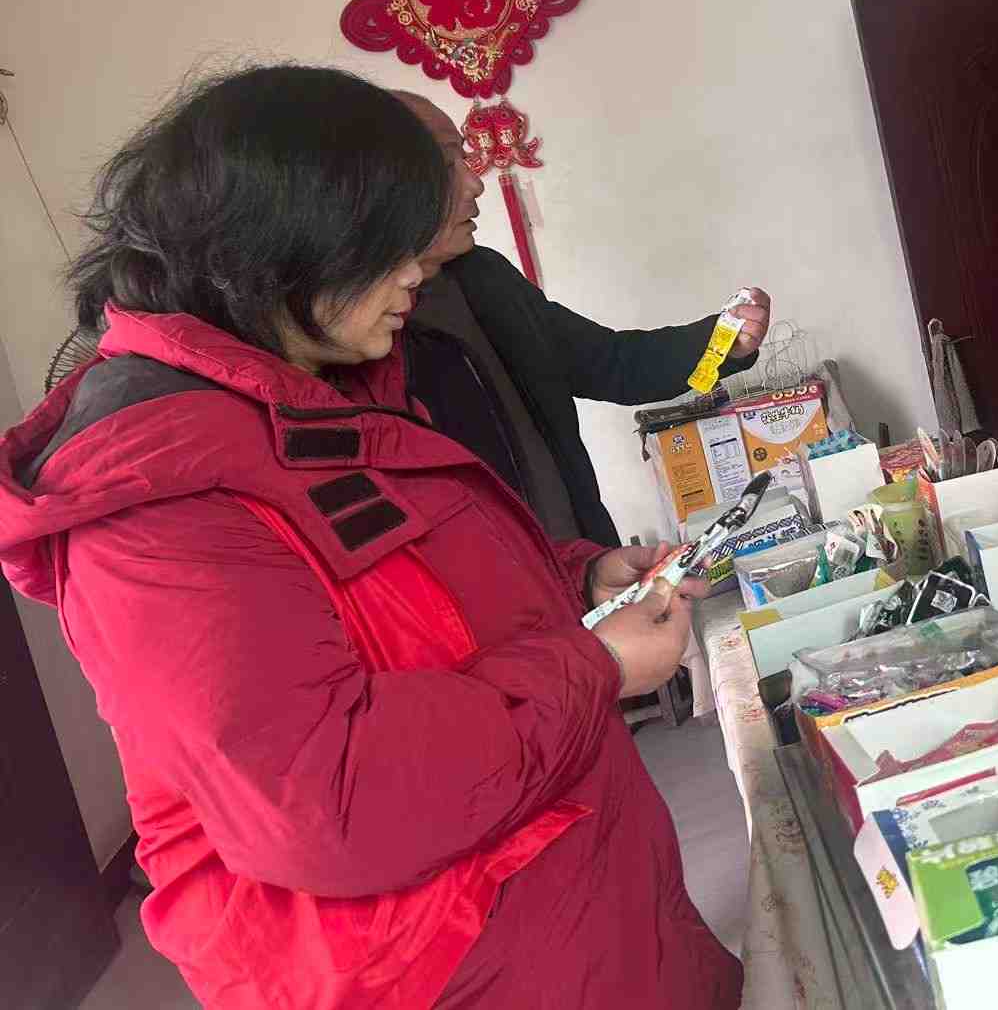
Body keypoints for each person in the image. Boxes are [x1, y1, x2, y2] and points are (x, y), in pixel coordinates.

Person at [0, 67, 742, 1009]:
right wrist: (592, 665)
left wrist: (581, 577)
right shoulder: (155, 504)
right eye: (393, 243)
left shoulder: (322, 392)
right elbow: (327, 799)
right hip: (446, 963)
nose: (418, 271)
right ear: (284, 245)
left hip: (572, 896)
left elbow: (419, 587)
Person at [394, 90, 772, 547]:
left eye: (464, 158)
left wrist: (724, 340)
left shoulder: (484, 277)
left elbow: (612, 363)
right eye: (444, 163)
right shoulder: (365, 346)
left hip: (583, 560)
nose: (475, 184)